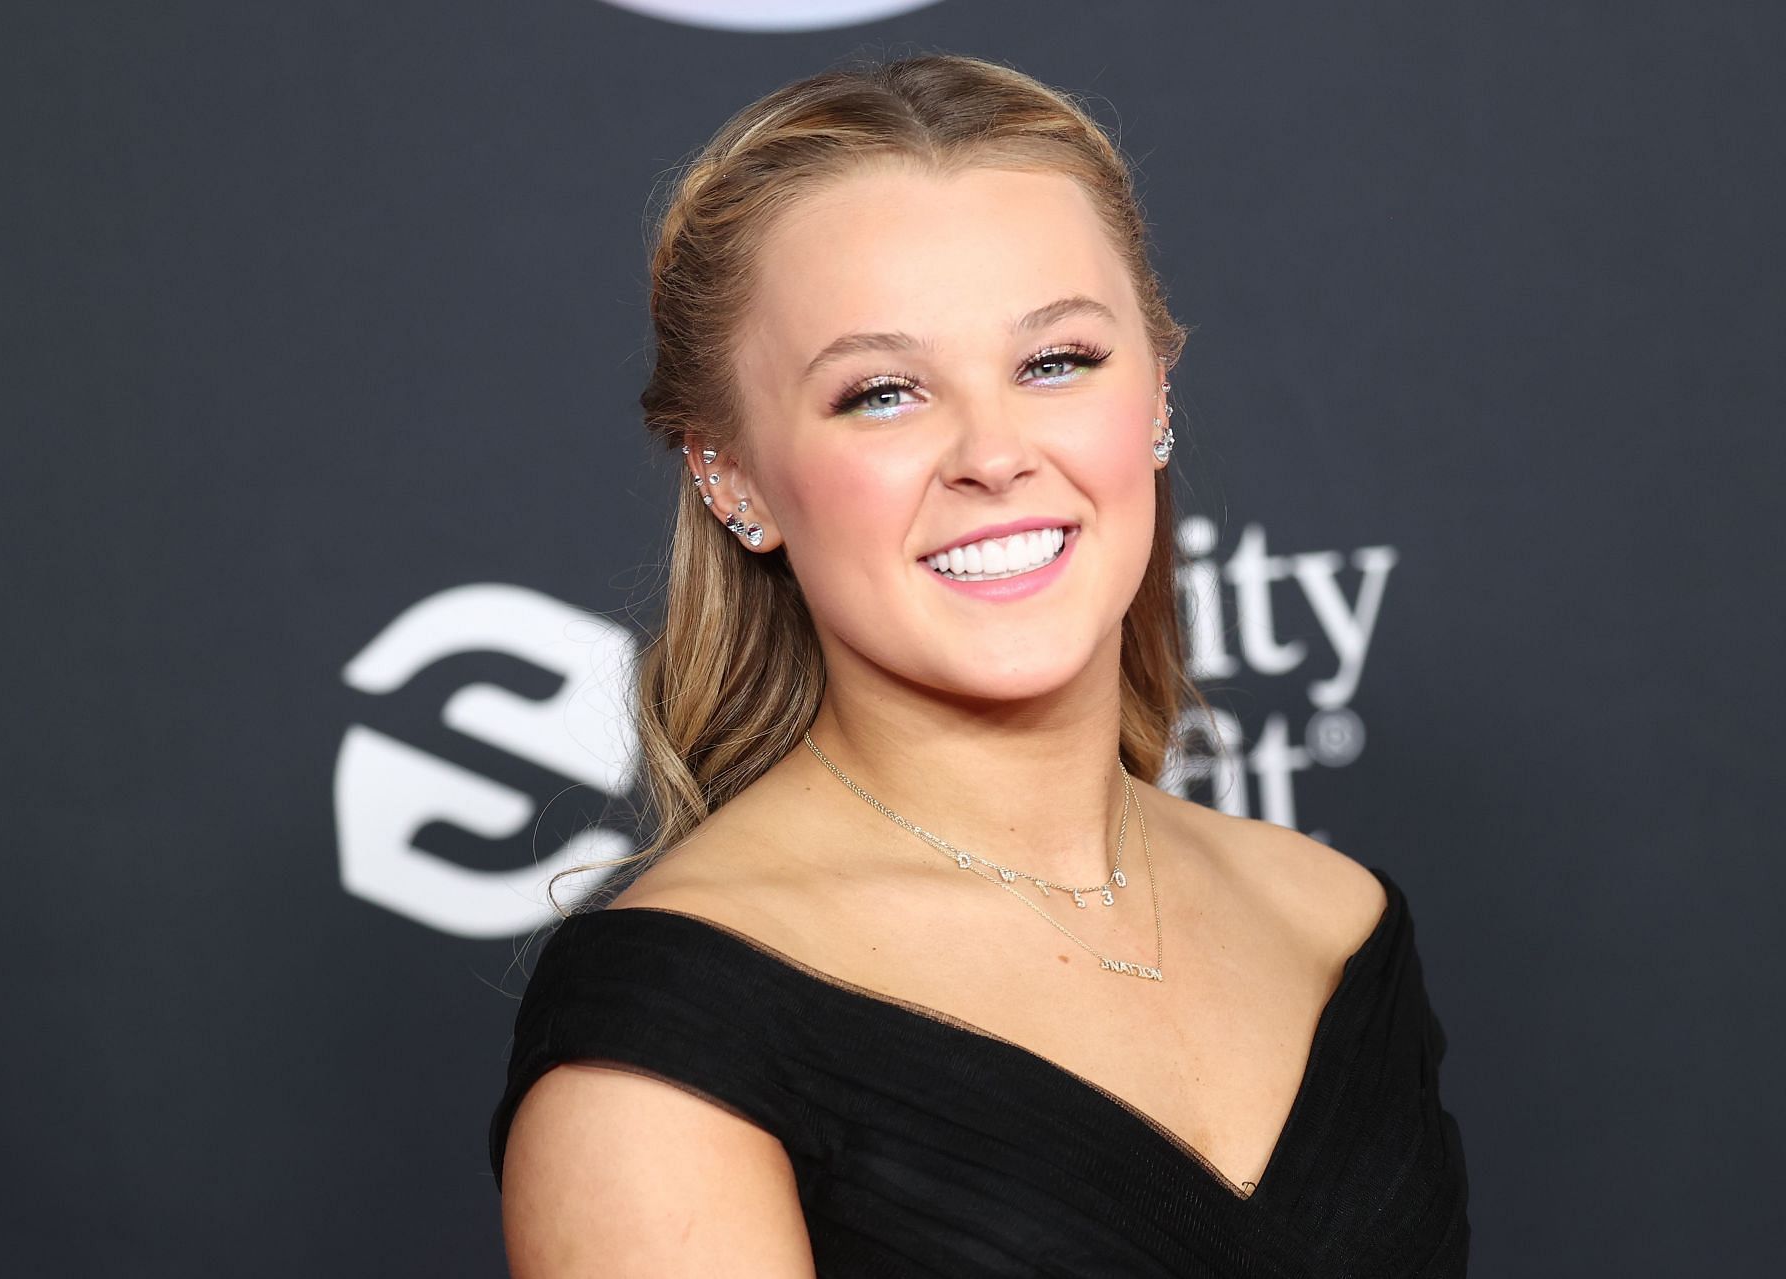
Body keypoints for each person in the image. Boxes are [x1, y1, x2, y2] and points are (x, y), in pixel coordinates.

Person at [488, 51, 1469, 1276]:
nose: (993, 454)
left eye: (1057, 360)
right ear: (730, 474)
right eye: (883, 392)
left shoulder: (1336, 924)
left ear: (1156, 391)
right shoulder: (668, 1029)